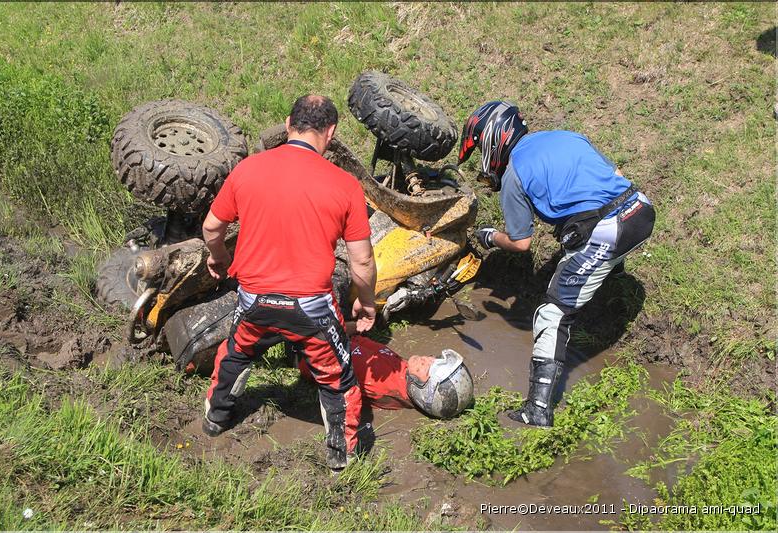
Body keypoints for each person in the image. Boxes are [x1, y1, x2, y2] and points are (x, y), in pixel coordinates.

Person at [201, 95, 378, 471]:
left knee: (236, 354)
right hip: (311, 307)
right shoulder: (345, 185)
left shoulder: (248, 169)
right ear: (330, 133)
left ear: (287, 124)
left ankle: (215, 419)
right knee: (337, 376)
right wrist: (367, 301)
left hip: (254, 300)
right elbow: (361, 260)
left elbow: (212, 227)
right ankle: (340, 456)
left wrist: (218, 257)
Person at [458, 101, 655, 428]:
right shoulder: (565, 136)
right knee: (580, 246)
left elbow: (521, 244)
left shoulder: (513, 175)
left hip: (610, 229)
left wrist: (491, 237)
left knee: (550, 313)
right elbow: (615, 174)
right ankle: (607, 285)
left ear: (494, 138)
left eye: (480, 145)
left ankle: (537, 409)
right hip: (641, 210)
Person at [297, 333, 474, 418]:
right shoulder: (405, 373)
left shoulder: (378, 382)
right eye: (433, 359)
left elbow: (315, 365)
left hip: (305, 349)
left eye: (428, 368)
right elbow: (361, 341)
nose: (427, 358)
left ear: (421, 391)